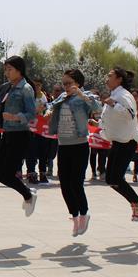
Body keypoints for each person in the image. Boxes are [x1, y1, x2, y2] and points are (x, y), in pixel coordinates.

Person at [48, 69, 101, 236]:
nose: (66, 86)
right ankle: (75, 216)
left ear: (78, 83)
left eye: (69, 83)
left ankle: (84, 214)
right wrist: (48, 112)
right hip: (63, 145)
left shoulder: (84, 97)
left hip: (79, 145)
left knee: (76, 183)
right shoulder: (62, 97)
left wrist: (81, 94)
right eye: (64, 83)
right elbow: (50, 107)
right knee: (64, 184)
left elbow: (97, 108)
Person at [0, 56, 39, 215]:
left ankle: (28, 195)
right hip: (7, 134)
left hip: (20, 135)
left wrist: (15, 117)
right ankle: (28, 194)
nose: (7, 73)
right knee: (0, 174)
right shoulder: (7, 88)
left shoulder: (26, 89)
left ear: (19, 70)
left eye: (10, 69)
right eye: (6, 69)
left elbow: (32, 114)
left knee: (7, 174)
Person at [100, 67, 138, 221]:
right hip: (117, 141)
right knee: (110, 179)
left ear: (119, 79)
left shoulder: (124, 95)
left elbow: (130, 114)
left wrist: (114, 104)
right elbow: (109, 117)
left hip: (127, 141)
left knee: (116, 178)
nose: (107, 78)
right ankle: (135, 201)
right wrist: (98, 124)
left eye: (110, 75)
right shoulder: (114, 94)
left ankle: (137, 202)